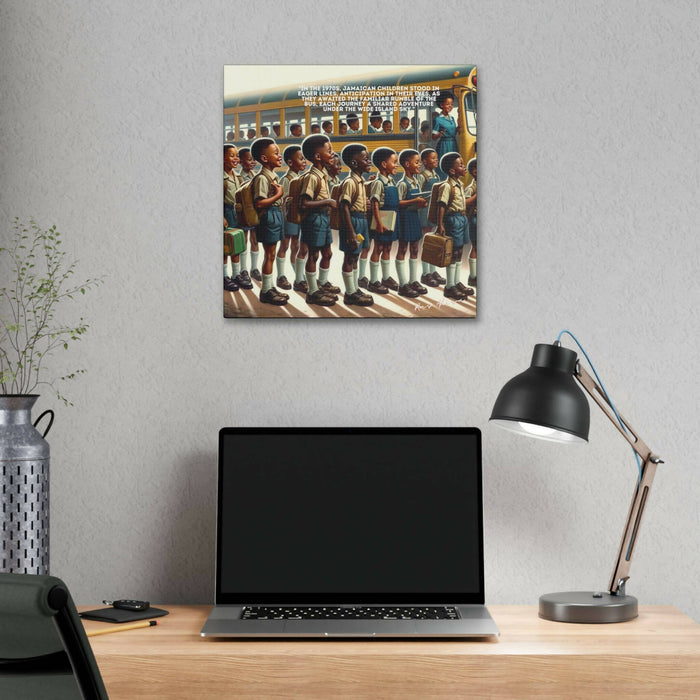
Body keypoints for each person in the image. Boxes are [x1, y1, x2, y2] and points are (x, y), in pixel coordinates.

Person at [298, 134, 340, 306]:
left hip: (323, 219)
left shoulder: (322, 175)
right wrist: (328, 202)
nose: (332, 153)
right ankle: (312, 291)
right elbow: (304, 203)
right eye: (329, 151)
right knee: (314, 255)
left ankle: (322, 283)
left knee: (327, 253)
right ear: (316, 156)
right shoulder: (312, 177)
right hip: (314, 220)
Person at [250, 138, 289, 305]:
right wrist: (278, 196)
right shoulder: (262, 178)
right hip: (268, 217)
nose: (279, 156)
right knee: (270, 254)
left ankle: (270, 286)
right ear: (264, 159)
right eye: (276, 153)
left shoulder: (272, 176)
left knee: (271, 254)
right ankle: (266, 291)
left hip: (275, 215)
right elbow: (259, 203)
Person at [338, 144, 374, 306]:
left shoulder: (360, 181)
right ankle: (349, 292)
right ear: (354, 163)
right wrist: (351, 233)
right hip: (352, 223)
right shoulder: (350, 182)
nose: (369, 162)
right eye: (366, 159)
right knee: (349, 256)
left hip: (361, 222)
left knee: (356, 255)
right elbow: (344, 206)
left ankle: (354, 288)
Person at [435, 152, 474, 301]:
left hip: (462, 218)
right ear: (452, 171)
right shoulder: (447, 186)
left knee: (459, 253)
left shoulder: (460, 184)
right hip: (453, 220)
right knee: (452, 254)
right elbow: (441, 206)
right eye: (461, 165)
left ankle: (457, 282)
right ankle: (450, 286)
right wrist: (440, 225)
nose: (464, 168)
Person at [396, 149, 429, 297]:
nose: (419, 165)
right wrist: (415, 201)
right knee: (402, 249)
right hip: (404, 218)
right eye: (416, 162)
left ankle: (413, 280)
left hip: (414, 217)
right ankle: (403, 284)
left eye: (420, 162)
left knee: (415, 249)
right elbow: (398, 202)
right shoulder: (402, 184)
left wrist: (421, 204)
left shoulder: (416, 181)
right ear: (406, 164)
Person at [367, 147, 400, 294]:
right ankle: (374, 281)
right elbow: (374, 203)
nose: (396, 165)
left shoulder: (392, 181)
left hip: (391, 220)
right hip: (381, 220)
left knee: (387, 248)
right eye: (394, 162)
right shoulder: (378, 182)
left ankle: (386, 277)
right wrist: (379, 222)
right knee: (378, 248)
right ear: (384, 164)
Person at [223, 145, 253, 291]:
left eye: (237, 156)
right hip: (226, 213)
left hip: (237, 213)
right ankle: (224, 275)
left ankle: (236, 274)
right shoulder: (221, 178)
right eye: (231, 155)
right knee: (225, 245)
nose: (236, 159)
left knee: (237, 245)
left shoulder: (237, 176)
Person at [278, 145, 308, 291]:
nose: (304, 162)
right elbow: (282, 201)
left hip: (299, 218)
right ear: (290, 163)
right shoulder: (286, 179)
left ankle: (299, 276)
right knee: (285, 245)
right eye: (301, 159)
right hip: (288, 217)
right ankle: (281, 276)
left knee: (296, 246)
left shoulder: (302, 178)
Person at [417, 148, 445, 287]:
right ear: (424, 161)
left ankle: (433, 271)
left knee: (433, 241)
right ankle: (425, 273)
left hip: (433, 211)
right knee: (426, 242)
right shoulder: (422, 176)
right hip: (424, 211)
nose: (436, 160)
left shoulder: (436, 175)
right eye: (433, 158)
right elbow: (418, 195)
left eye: (437, 158)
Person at [238, 147, 261, 282]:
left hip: (255, 213)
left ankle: (254, 268)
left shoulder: (255, 175)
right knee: (244, 240)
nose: (253, 162)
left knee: (255, 240)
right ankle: (243, 269)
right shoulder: (240, 177)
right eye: (249, 159)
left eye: (254, 159)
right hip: (246, 214)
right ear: (241, 162)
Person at [432, 92, 459, 171]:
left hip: (453, 144)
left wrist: (458, 127)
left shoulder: (452, 118)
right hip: (444, 145)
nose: (450, 106)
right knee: (445, 165)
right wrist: (439, 134)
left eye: (451, 104)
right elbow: (433, 137)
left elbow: (453, 132)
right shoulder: (438, 119)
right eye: (447, 104)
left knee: (454, 164)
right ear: (441, 105)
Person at [465, 158, 477, 287]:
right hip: (475, 218)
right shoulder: (471, 188)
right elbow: (465, 202)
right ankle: (473, 276)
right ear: (474, 172)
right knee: (475, 247)